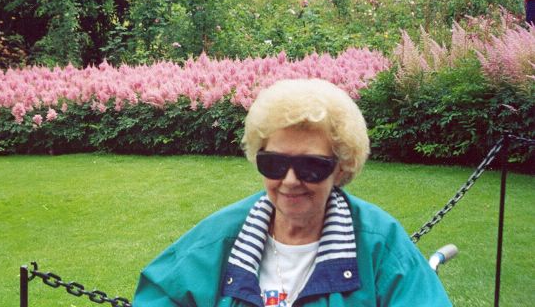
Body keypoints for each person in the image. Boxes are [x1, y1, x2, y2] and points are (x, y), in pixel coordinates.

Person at [134, 78, 451, 306]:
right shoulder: (222, 237)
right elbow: (160, 295)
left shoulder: (381, 246)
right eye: (273, 163)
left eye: (311, 166)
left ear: (341, 168)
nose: (289, 180)